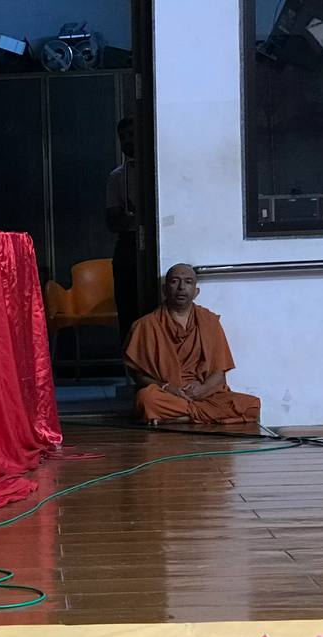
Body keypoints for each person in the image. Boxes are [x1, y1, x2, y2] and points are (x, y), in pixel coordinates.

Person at [124, 263, 260, 425]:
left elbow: (219, 372)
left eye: (188, 282)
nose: (181, 287)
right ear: (164, 289)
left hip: (205, 394)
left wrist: (202, 389)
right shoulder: (146, 325)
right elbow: (138, 375)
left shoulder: (209, 321)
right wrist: (167, 388)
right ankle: (205, 416)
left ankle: (180, 417)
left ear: (196, 291)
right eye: (175, 281)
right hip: (168, 393)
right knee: (146, 399)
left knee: (251, 405)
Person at [105, 116, 139, 342]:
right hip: (128, 246)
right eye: (122, 137)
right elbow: (112, 223)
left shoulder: (158, 169)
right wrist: (130, 217)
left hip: (153, 243)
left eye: (131, 135)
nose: (127, 141)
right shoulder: (117, 177)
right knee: (128, 310)